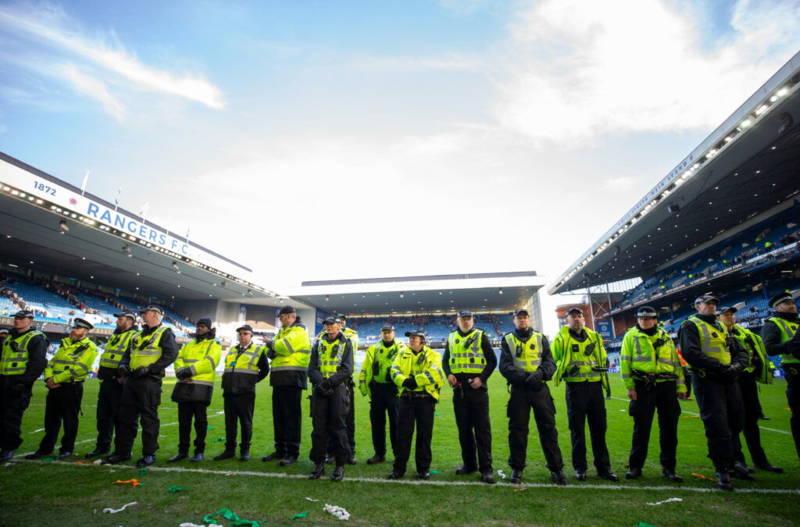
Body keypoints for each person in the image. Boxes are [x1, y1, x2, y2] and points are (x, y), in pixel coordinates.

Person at [678, 293, 749, 490]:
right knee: (717, 425)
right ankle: (723, 468)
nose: (711, 306)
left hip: (729, 380)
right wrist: (721, 368)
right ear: (697, 306)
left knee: (735, 422)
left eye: (714, 303)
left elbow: (740, 351)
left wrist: (736, 367)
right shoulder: (690, 325)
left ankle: (736, 461)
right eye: (707, 303)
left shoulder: (721, 326)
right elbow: (690, 353)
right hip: (708, 381)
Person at [103, 305, 179, 468]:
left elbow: (171, 354)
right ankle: (122, 452)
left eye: (145, 313)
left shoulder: (165, 332)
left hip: (149, 381)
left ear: (154, 314)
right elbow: (126, 355)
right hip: (131, 380)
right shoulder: (137, 335)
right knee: (125, 418)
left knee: (148, 419)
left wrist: (150, 369)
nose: (142, 316)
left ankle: (149, 454)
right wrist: (123, 366)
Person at [619, 306, 687, 482]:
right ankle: (635, 467)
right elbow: (625, 363)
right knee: (641, 429)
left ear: (655, 319)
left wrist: (681, 387)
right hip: (643, 386)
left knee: (669, 429)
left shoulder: (665, 336)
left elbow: (676, 364)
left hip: (667, 386)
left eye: (648, 318)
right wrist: (630, 387)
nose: (645, 321)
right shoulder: (630, 336)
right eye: (641, 318)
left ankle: (669, 468)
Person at [499, 308, 566, 485]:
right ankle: (517, 468)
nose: (522, 320)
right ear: (514, 320)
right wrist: (526, 377)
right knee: (517, 430)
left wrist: (540, 374)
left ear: (528, 319)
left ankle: (556, 469)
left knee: (548, 429)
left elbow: (550, 362)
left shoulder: (540, 337)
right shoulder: (507, 339)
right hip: (519, 390)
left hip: (539, 388)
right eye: (518, 318)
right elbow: (505, 367)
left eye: (524, 317)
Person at [552, 307, 618, 481]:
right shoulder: (561, 338)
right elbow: (554, 360)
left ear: (584, 319)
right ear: (567, 320)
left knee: (599, 429)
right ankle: (580, 468)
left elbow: (602, 357)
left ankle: (604, 468)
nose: (576, 318)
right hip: (575, 388)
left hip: (595, 387)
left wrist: (601, 365)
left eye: (579, 316)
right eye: (572, 316)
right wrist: (565, 370)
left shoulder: (594, 336)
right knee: (577, 430)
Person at [718, 305, 782, 473]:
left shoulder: (744, 333)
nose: (730, 317)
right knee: (733, 422)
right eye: (726, 315)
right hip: (730, 380)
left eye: (731, 314)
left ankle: (760, 460)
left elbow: (755, 352)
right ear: (718, 318)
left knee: (751, 421)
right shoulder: (716, 334)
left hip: (747, 379)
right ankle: (738, 461)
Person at [26, 318, 97, 459]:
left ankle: (67, 448)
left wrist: (55, 380)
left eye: (77, 328)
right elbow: (51, 364)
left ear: (85, 331)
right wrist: (48, 379)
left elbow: (80, 369)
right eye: (74, 327)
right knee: (50, 420)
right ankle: (45, 448)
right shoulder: (64, 344)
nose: (74, 330)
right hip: (55, 387)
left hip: (71, 387)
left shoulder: (90, 347)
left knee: (70, 420)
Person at [443, 310, 498, 484]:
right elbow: (445, 361)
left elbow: (492, 361)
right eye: (463, 319)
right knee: (464, 430)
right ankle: (469, 464)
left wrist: (481, 379)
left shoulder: (481, 335)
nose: (466, 322)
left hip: (477, 391)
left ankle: (486, 468)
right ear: (457, 321)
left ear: (473, 320)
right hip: (459, 391)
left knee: (482, 430)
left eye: (469, 319)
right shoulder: (451, 337)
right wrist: (448, 374)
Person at [387, 330, 445, 480]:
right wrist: (404, 381)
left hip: (425, 399)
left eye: (415, 338)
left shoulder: (433, 354)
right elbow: (393, 370)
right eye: (410, 338)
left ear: (422, 340)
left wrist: (415, 381)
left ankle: (423, 469)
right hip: (406, 399)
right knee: (402, 435)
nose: (411, 340)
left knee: (424, 435)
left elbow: (436, 372)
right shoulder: (402, 353)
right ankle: (399, 469)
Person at [262, 305, 312, 465]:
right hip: (280, 378)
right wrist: (271, 347)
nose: (280, 320)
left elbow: (284, 347)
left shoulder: (299, 331)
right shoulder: (283, 332)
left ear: (291, 316)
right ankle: (280, 450)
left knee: (291, 417)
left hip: (293, 378)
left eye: (282, 317)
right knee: (279, 417)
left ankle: (292, 453)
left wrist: (271, 344)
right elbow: (270, 352)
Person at [169, 318, 222, 463]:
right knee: (183, 422)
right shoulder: (188, 344)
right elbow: (178, 358)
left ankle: (199, 451)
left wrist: (188, 371)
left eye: (203, 326)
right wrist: (180, 371)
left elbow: (210, 362)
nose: (199, 329)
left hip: (201, 388)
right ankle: (182, 451)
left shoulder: (214, 345)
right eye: (198, 326)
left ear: (209, 329)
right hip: (185, 387)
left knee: (200, 422)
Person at [85, 312, 138, 459]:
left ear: (130, 321)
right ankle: (102, 447)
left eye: (120, 319)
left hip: (120, 383)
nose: (117, 321)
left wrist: (125, 376)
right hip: (107, 381)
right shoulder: (115, 336)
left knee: (121, 419)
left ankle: (122, 450)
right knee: (103, 417)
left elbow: (134, 357)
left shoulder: (134, 336)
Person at [214, 324, 269, 461]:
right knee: (230, 423)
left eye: (245, 333)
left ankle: (245, 450)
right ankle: (229, 450)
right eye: (241, 334)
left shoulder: (259, 350)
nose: (242, 336)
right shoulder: (232, 350)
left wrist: (251, 382)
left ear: (251, 335)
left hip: (245, 393)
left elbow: (265, 370)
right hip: (229, 391)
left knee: (245, 422)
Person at [308, 317, 353, 481]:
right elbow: (311, 368)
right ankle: (318, 463)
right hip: (320, 389)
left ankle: (340, 464)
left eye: (333, 325)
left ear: (339, 326)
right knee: (318, 428)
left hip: (337, 389)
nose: (330, 327)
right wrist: (321, 383)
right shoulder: (317, 344)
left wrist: (329, 383)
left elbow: (347, 369)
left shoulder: (345, 343)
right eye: (327, 325)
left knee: (338, 427)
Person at [0, 310, 48, 462]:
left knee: (12, 417)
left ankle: (9, 447)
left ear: (30, 320)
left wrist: (23, 383)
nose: (17, 321)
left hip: (18, 384)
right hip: (3, 381)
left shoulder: (36, 338)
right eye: (16, 318)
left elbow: (38, 364)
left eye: (21, 318)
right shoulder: (9, 337)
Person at [761, 290, 800, 460]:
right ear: (778, 307)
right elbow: (769, 348)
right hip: (796, 373)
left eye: (793, 303)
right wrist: (792, 345)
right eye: (788, 304)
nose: (792, 306)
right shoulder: (773, 324)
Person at [358, 323, 402, 464]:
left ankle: (398, 454)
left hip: (393, 390)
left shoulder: (401, 348)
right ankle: (379, 453)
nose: (387, 334)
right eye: (384, 332)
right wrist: (364, 385)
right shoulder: (374, 349)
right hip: (377, 390)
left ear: (394, 333)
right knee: (377, 424)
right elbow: (366, 368)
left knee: (396, 423)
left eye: (389, 332)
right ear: (381, 334)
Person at [323, 313, 359, 464]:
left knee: (347, 419)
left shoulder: (351, 336)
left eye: (342, 321)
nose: (341, 323)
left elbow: (351, 352)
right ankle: (330, 452)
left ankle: (349, 451)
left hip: (344, 382)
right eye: (338, 321)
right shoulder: (323, 336)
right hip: (326, 383)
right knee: (329, 420)